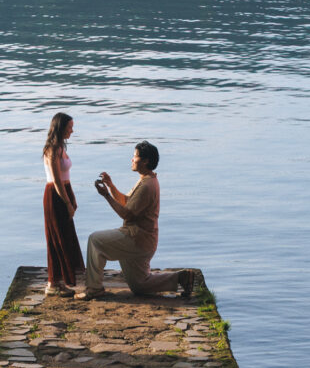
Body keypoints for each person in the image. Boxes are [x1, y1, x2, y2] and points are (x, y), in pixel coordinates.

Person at [82, 141, 197, 300]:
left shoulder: (147, 185)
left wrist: (106, 196)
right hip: (143, 240)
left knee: (95, 240)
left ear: (145, 161)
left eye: (135, 156)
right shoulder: (146, 180)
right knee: (140, 285)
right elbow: (126, 201)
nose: (132, 159)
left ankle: (93, 289)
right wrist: (110, 186)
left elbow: (127, 214)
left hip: (136, 239)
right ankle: (181, 278)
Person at [41, 112, 84, 296]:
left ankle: (59, 281)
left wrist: (72, 199)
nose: (72, 131)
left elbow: (66, 179)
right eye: (69, 127)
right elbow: (57, 181)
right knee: (56, 238)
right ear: (60, 128)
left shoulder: (61, 148)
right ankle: (53, 283)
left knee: (65, 237)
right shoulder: (52, 149)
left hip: (64, 193)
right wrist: (67, 202)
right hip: (55, 196)